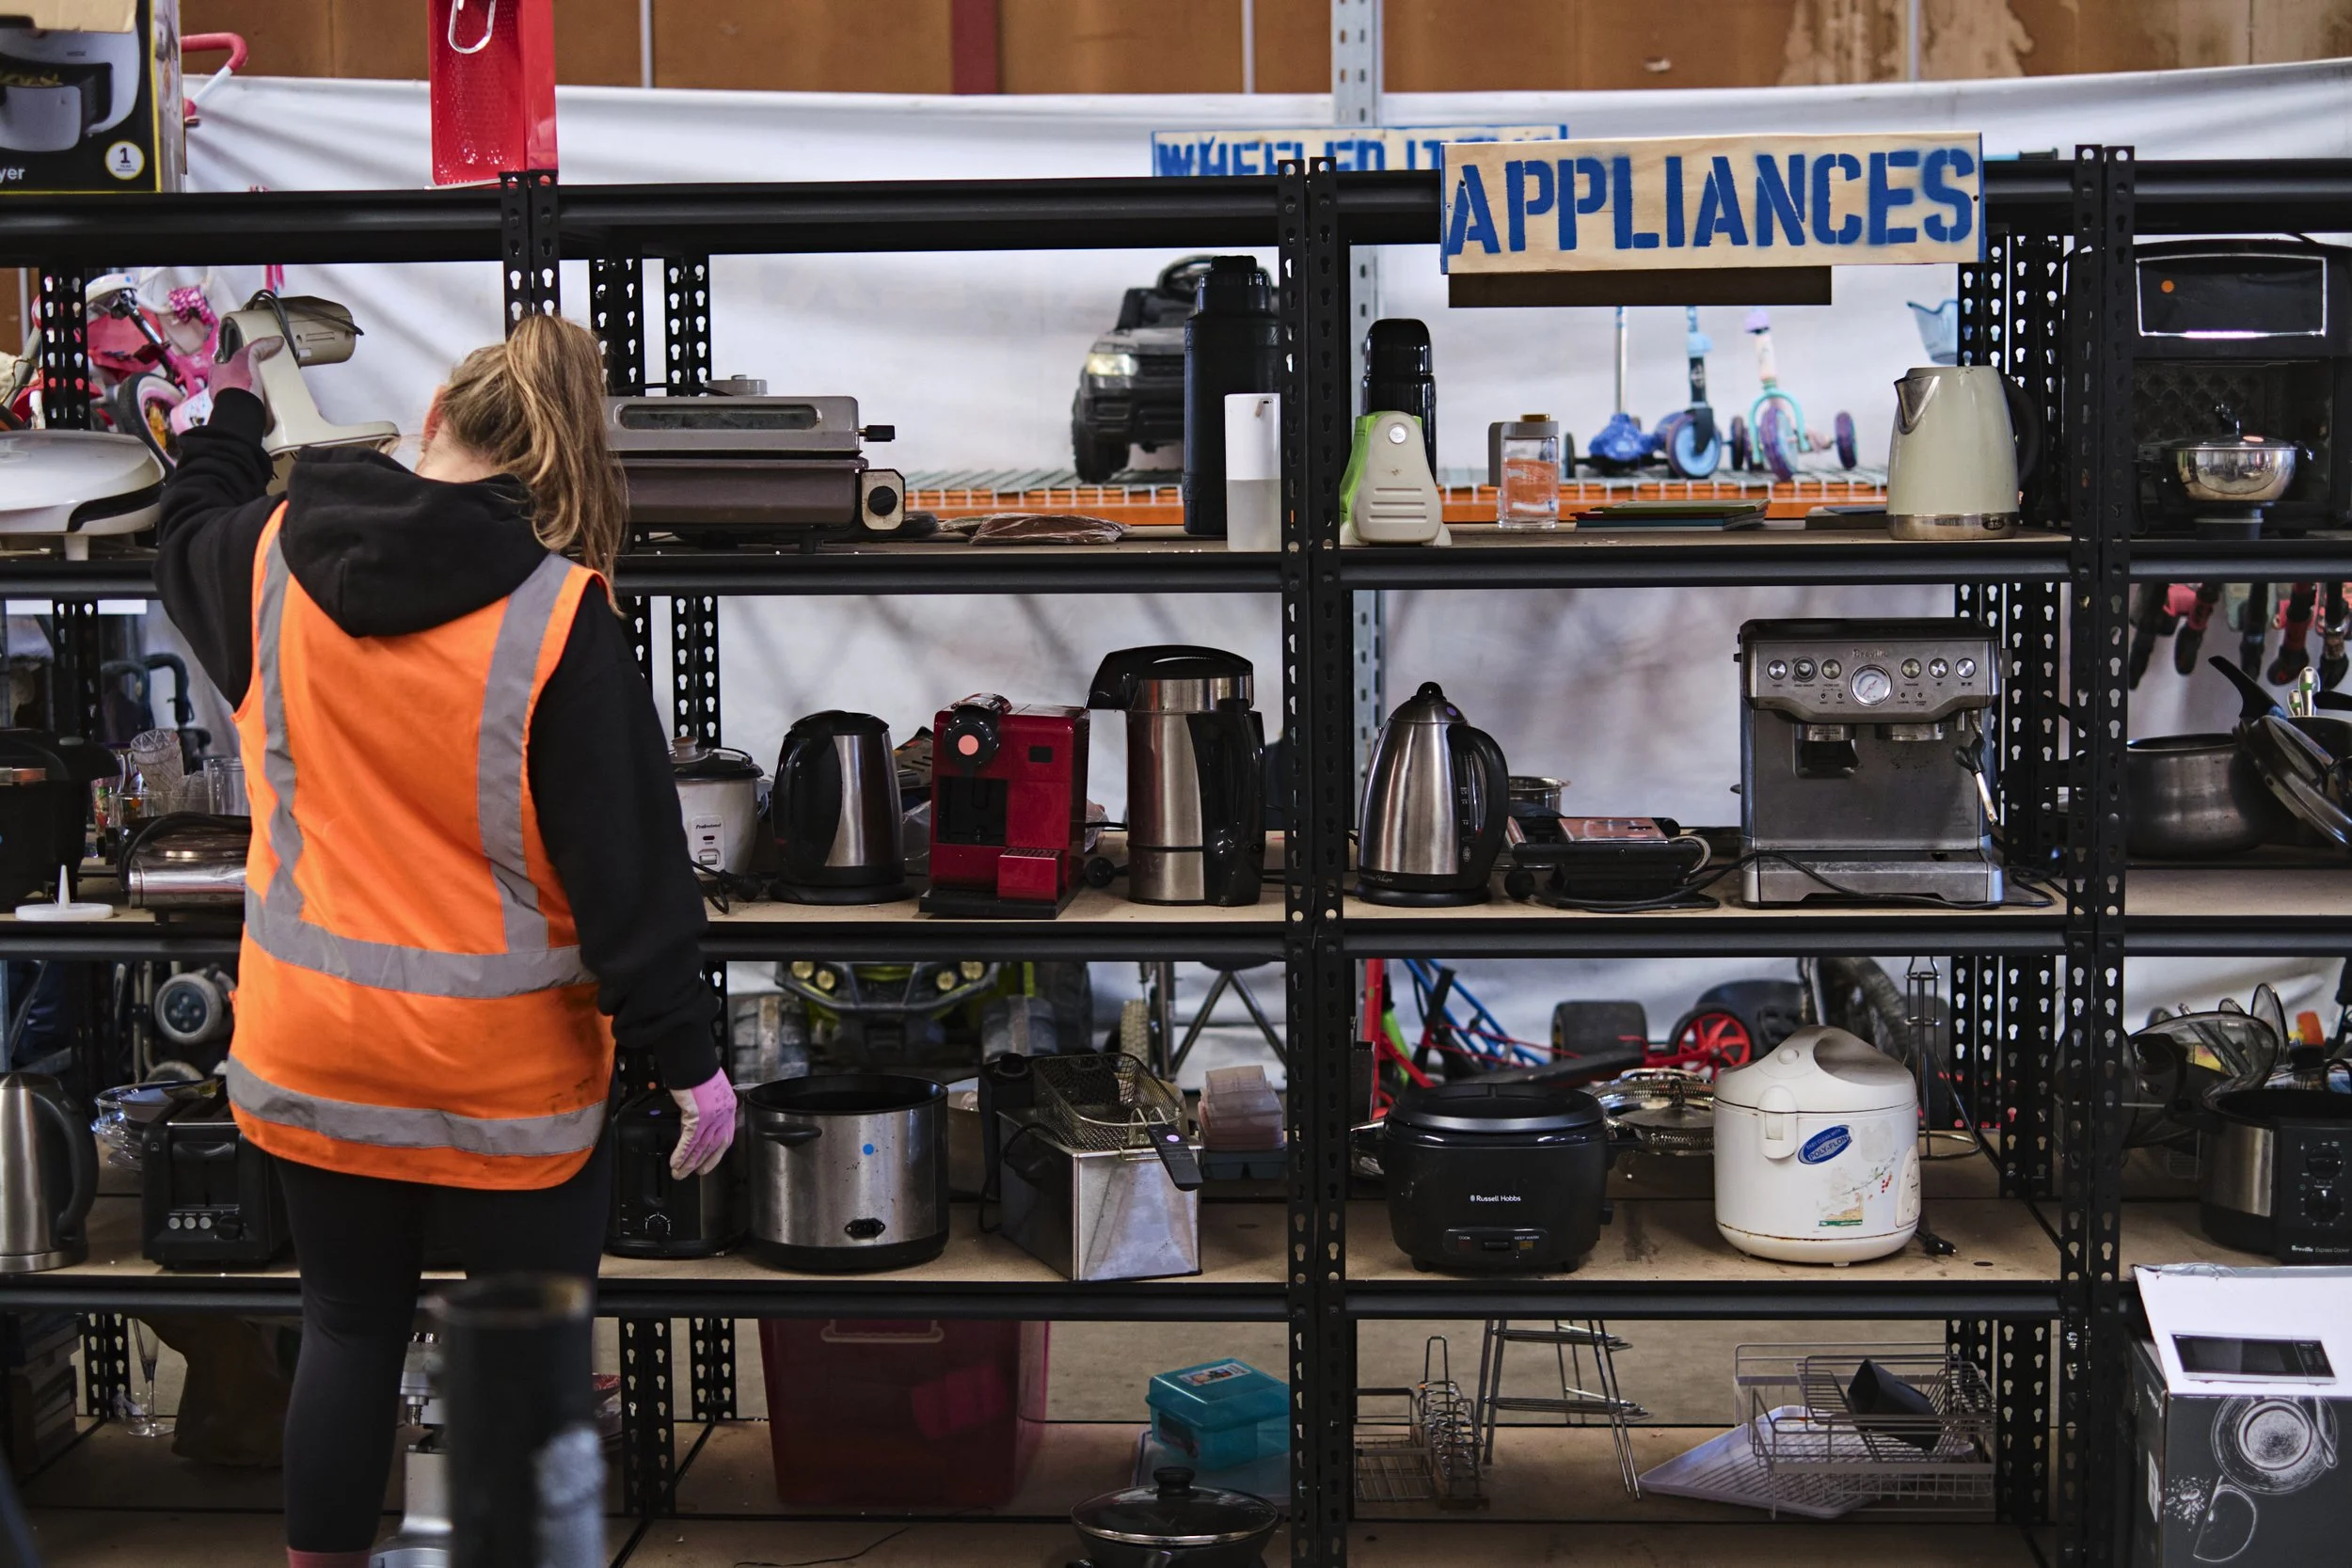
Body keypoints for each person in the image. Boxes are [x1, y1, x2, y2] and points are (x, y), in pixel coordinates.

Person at [155, 313, 737, 1568]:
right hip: (506, 1084)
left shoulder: (264, 558)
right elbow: (627, 872)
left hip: (316, 1056)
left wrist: (230, 416)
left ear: (430, 427)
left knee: (348, 1328)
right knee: (522, 1358)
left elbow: (180, 526)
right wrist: (687, 1058)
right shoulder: (560, 613)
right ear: (552, 470)